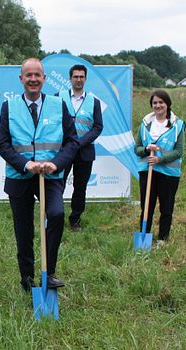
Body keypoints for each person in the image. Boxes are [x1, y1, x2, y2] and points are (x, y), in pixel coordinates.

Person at [0, 58, 80, 292]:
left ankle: (49, 271)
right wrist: (25, 164)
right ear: (21, 79)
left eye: (38, 75)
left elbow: (72, 142)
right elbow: (2, 144)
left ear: (44, 78)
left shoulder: (58, 105)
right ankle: (27, 277)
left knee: (56, 214)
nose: (33, 79)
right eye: (28, 75)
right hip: (19, 177)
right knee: (23, 231)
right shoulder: (9, 106)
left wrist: (55, 164)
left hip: (50, 177)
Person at [133, 90, 185, 243]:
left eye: (161, 102)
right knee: (147, 206)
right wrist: (147, 150)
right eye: (155, 103)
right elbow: (137, 148)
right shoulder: (145, 125)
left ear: (167, 104)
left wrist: (160, 159)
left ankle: (163, 238)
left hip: (169, 173)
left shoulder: (177, 126)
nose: (158, 105)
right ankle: (144, 236)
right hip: (146, 171)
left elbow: (179, 151)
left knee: (166, 207)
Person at [58, 64, 103, 231]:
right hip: (62, 151)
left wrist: (80, 142)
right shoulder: (58, 97)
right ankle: (55, 217)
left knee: (80, 187)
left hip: (84, 152)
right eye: (75, 76)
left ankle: (75, 219)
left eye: (81, 76)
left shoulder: (94, 101)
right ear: (70, 78)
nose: (78, 79)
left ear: (85, 78)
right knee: (57, 185)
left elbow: (98, 127)